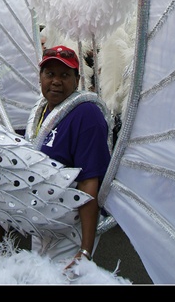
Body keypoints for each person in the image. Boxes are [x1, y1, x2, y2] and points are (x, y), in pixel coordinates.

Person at [25, 45, 111, 270]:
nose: (56, 81)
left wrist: (85, 249)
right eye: (50, 74)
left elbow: (89, 182)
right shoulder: (42, 110)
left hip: (71, 227)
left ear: (77, 79)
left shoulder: (87, 114)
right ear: (40, 76)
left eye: (65, 75)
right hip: (43, 224)